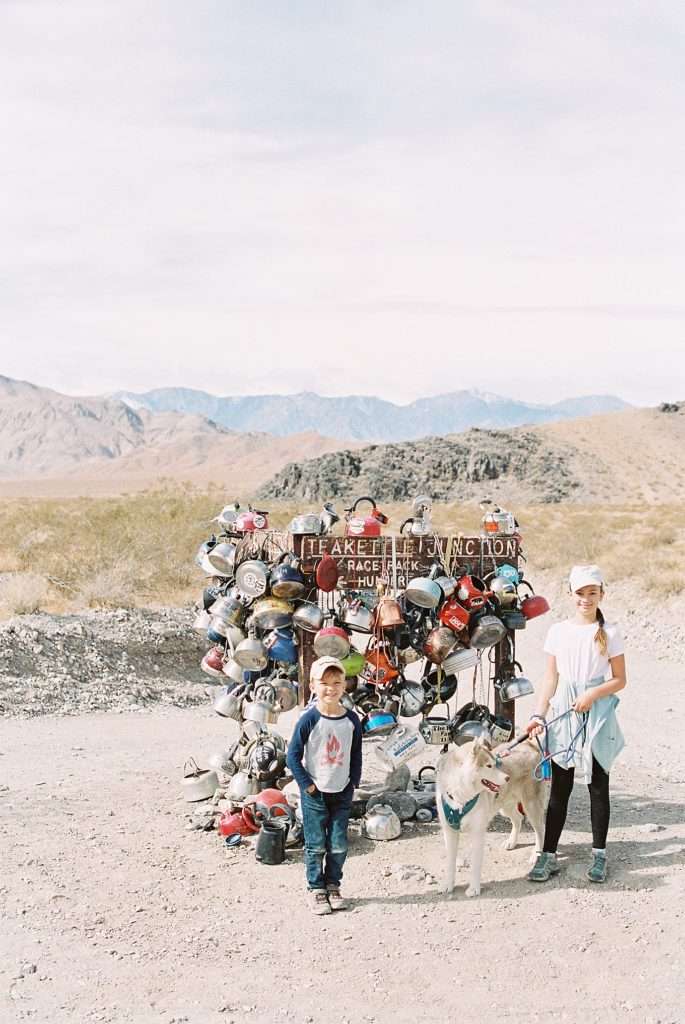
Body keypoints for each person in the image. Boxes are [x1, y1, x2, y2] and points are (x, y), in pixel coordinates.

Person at [526, 564, 627, 884]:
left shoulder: (610, 632)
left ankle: (599, 855)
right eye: (580, 593)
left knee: (598, 784)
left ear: (601, 594)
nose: (586, 598)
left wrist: (593, 694)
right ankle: (549, 855)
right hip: (565, 711)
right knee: (561, 787)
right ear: (571, 594)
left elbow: (620, 680)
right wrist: (538, 714)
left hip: (596, 711)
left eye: (592, 592)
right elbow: (551, 677)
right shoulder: (558, 631)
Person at [286, 656, 362, 915]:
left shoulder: (351, 720)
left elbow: (356, 753)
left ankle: (333, 885)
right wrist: (307, 785)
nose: (331, 688)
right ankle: (316, 888)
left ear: (345, 686)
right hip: (315, 792)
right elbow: (292, 755)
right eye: (324, 682)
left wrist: (354, 782)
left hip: (341, 791)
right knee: (316, 843)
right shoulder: (309, 719)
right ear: (313, 686)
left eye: (337, 682)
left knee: (339, 841)